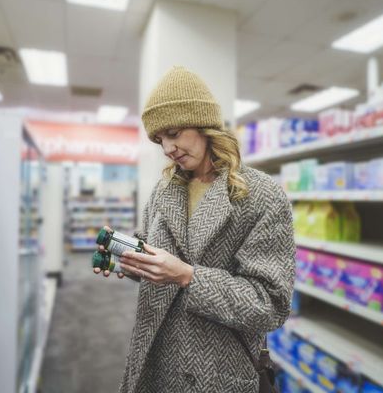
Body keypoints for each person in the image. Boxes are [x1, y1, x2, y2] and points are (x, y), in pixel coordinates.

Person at [94, 66, 296, 393]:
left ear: (204, 125)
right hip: (154, 358)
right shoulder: (164, 190)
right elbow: (154, 252)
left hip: (215, 372)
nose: (167, 148)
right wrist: (131, 261)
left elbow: (270, 304)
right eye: (160, 139)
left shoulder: (261, 195)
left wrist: (188, 276)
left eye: (173, 133)